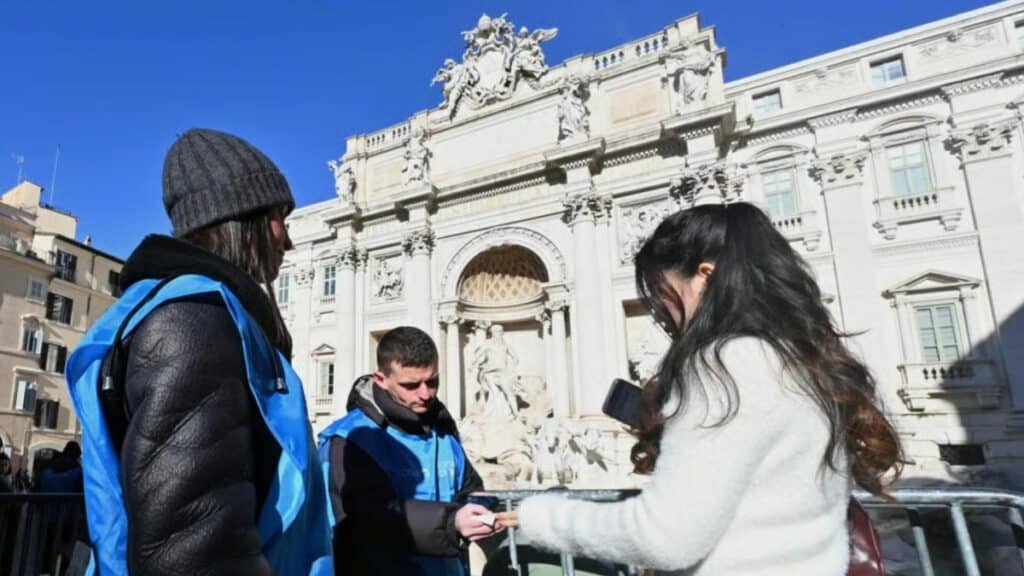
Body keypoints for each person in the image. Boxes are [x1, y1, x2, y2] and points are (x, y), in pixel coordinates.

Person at [497, 203, 904, 575]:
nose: (663, 316)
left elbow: (664, 537)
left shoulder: (725, 364)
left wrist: (543, 518)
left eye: (664, 295)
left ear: (705, 276)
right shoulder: (801, 358)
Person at [65, 128, 332, 576]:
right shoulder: (195, 324)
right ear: (243, 220)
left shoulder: (202, 318)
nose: (287, 240)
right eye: (280, 216)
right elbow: (192, 552)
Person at [318, 326, 501, 575]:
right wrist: (451, 522)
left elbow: (470, 487)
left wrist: (480, 509)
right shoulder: (348, 439)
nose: (426, 394)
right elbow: (364, 518)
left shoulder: (443, 428)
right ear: (381, 379)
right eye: (411, 385)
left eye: (432, 381)